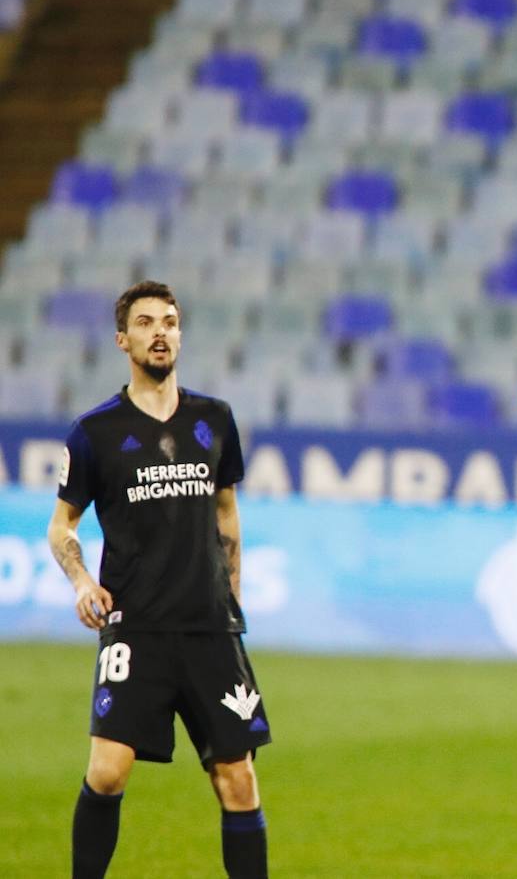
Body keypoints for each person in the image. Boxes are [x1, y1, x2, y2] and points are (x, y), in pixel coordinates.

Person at [49, 281, 270, 878]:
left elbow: (226, 515)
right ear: (123, 340)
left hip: (209, 629)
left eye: (169, 321)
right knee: (108, 771)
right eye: (145, 323)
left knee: (238, 779)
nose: (160, 332)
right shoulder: (94, 432)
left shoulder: (214, 420)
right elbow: (61, 527)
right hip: (136, 627)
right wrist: (80, 583)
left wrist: (234, 600)